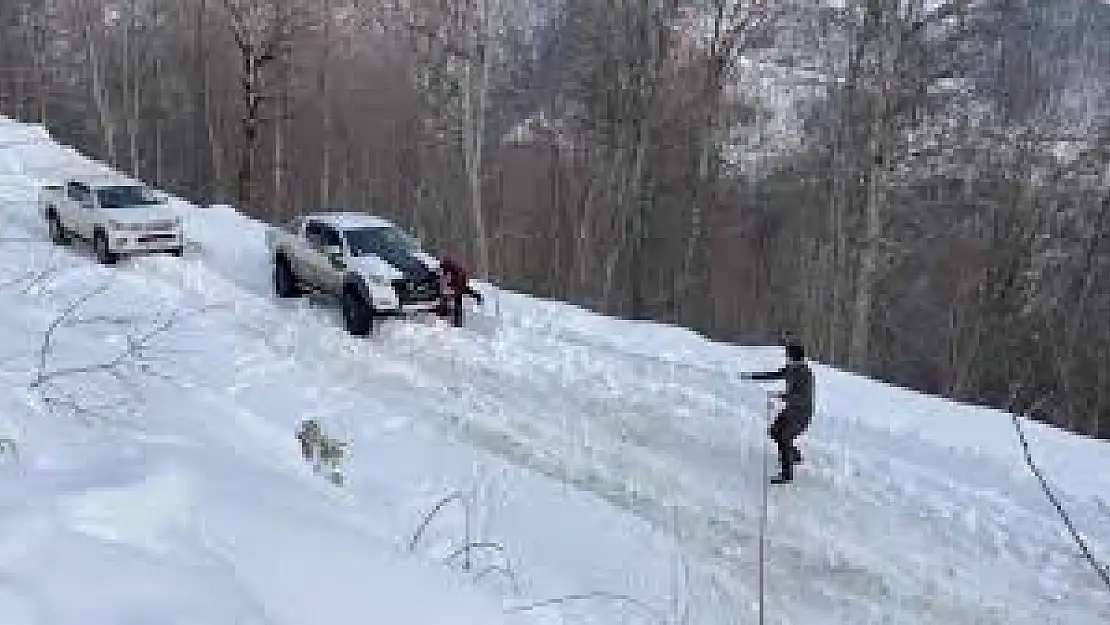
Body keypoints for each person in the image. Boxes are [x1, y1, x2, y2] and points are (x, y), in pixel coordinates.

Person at [740, 340, 813, 484]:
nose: (787, 357)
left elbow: (803, 398)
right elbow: (774, 375)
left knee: (784, 436)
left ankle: (787, 475)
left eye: (788, 355)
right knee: (774, 432)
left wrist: (783, 396)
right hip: (790, 411)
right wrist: (752, 377)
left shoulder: (805, 374)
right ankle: (793, 455)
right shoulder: (791, 369)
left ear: (794, 357)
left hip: (802, 414)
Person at [438, 254, 483, 327]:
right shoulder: (449, 268)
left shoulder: (451, 269)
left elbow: (458, 278)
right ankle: (451, 317)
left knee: (458, 301)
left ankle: (457, 322)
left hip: (459, 283)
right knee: (462, 293)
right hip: (458, 283)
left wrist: (455, 288)